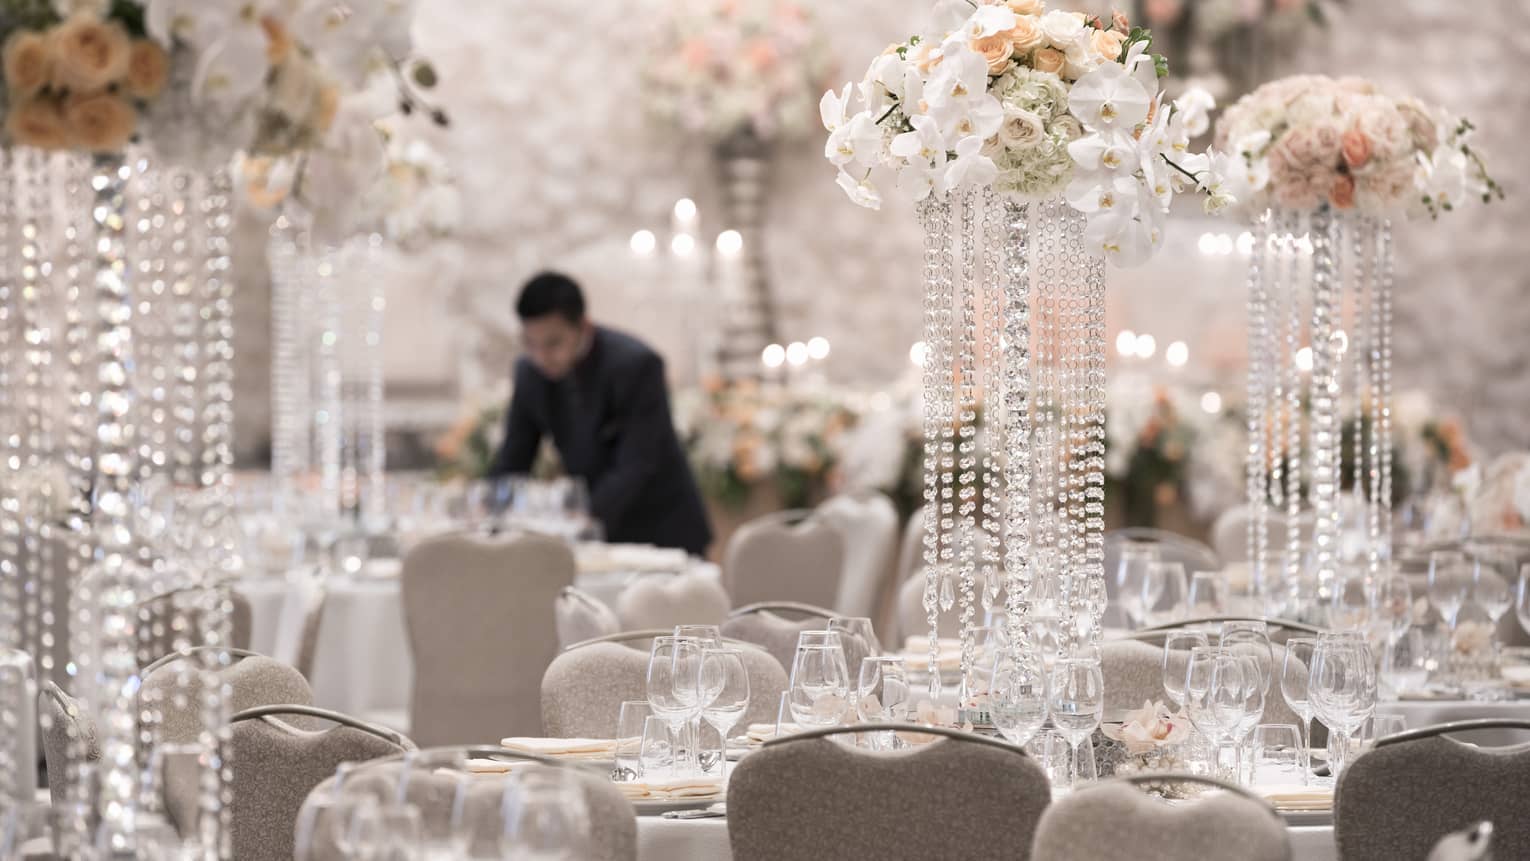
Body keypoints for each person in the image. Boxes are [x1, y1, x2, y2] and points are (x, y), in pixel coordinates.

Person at [487, 272, 713, 556]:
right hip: (593, 536)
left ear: (583, 326)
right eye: (530, 344)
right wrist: (490, 514)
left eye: (553, 343)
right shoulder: (529, 372)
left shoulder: (636, 365)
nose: (541, 356)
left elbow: (637, 464)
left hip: (661, 529)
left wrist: (576, 521)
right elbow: (514, 457)